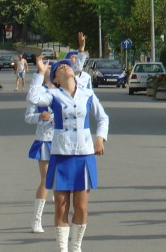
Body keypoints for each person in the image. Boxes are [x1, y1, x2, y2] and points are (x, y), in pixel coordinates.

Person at [27, 54, 109, 252]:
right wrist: (40, 72)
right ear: (55, 79)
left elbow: (102, 117)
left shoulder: (87, 94)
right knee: (61, 206)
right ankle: (63, 249)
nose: (65, 68)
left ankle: (76, 246)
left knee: (81, 208)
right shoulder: (53, 95)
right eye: (60, 69)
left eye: (67, 67)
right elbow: (34, 98)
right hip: (61, 154)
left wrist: (100, 138)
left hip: (84, 154)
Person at [25, 64, 55, 233]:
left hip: (64, 140)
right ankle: (36, 219)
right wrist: (40, 116)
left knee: (63, 181)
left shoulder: (62, 91)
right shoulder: (36, 93)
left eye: (52, 66)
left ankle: (63, 217)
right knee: (46, 180)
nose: (50, 68)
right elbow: (28, 117)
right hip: (45, 139)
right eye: (46, 66)